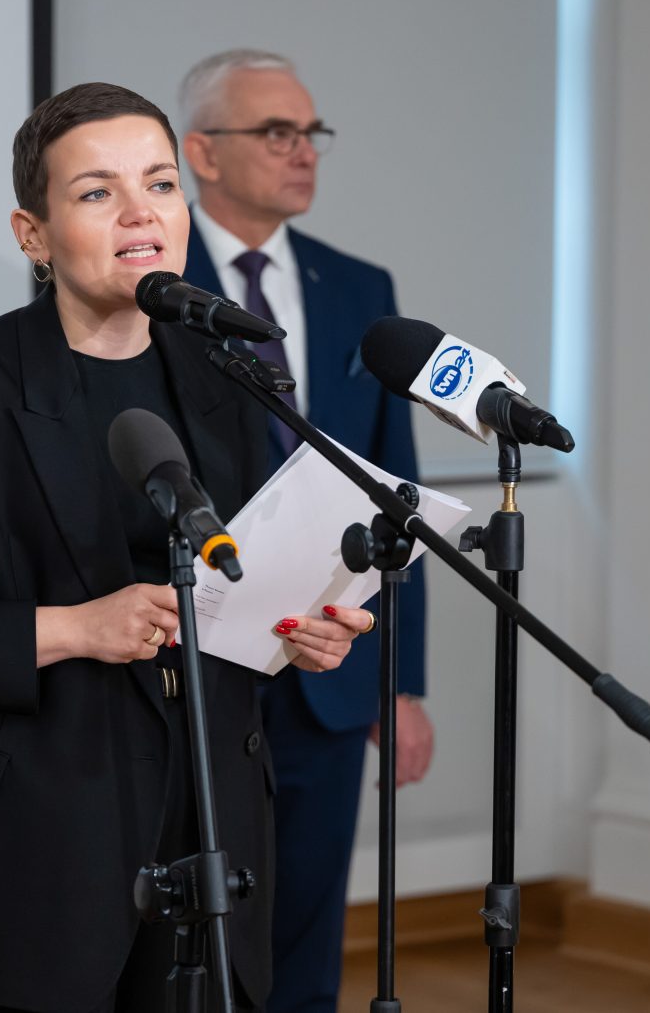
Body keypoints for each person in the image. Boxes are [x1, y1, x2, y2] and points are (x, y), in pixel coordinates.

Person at [0, 82, 371, 1013]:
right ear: (31, 235)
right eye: (95, 192)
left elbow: (238, 577)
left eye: (159, 184)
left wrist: (305, 627)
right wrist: (74, 628)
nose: (139, 213)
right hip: (21, 855)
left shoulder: (227, 373)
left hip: (207, 836)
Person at [178, 49, 435, 1013]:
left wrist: (398, 683)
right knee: (193, 926)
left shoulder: (359, 287)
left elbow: (393, 494)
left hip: (329, 663)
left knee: (307, 920)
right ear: (202, 152)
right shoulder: (149, 277)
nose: (302, 152)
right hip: (190, 664)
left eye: (310, 132)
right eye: (275, 132)